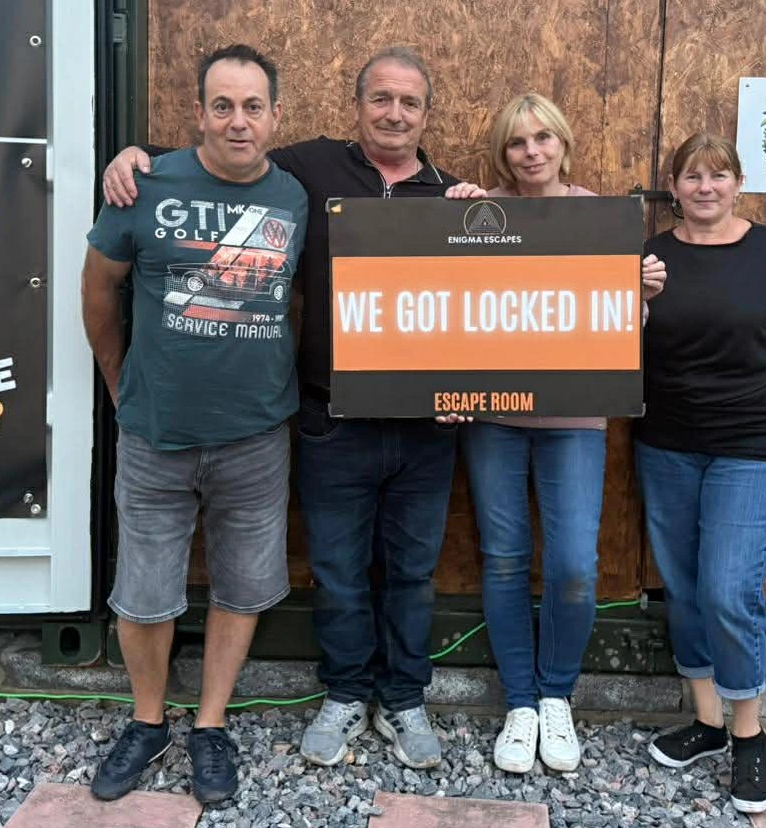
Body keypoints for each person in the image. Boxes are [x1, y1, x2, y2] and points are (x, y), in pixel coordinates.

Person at [102, 46, 485, 771]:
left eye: (409, 103)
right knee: (338, 571)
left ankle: (403, 697)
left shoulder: (452, 197)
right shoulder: (311, 170)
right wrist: (133, 155)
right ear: (357, 106)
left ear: (427, 116)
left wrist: (484, 209)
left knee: (410, 572)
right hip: (330, 419)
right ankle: (344, 693)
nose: (394, 113)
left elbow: (500, 297)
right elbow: (222, 153)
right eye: (381, 99)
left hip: (426, 429)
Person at [81, 44, 307, 805]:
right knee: (142, 595)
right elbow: (98, 292)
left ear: (276, 116)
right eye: (222, 105)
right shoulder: (143, 183)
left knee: (241, 588)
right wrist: (123, 389)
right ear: (199, 113)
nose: (237, 122)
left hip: (256, 435)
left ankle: (210, 725)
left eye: (252, 106)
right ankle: (147, 723)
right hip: (154, 436)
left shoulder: (297, 196)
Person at [459, 94, 665, 774]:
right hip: (492, 414)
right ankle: (520, 701)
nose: (532, 152)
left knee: (574, 566)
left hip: (573, 418)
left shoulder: (601, 217)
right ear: (503, 153)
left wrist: (639, 292)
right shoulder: (476, 213)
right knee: (505, 558)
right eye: (518, 142)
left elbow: (617, 333)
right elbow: (446, 305)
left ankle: (556, 697)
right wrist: (440, 217)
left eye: (543, 138)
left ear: (563, 144)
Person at [635, 131, 766, 815]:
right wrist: (636, 299)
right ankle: (708, 722)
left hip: (755, 448)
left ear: (738, 184)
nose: (705, 188)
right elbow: (611, 340)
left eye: (718, 176)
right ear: (676, 186)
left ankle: (750, 733)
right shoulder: (651, 257)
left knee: (726, 590)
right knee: (685, 587)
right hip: (667, 444)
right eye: (692, 177)